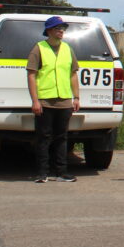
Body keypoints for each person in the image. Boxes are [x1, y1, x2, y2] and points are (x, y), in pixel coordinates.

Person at [27, 16, 80, 183]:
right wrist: (35, 101)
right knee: (44, 137)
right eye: (58, 28)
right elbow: (31, 75)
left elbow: (73, 74)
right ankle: (42, 173)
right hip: (45, 101)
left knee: (62, 138)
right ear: (49, 30)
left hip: (64, 101)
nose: (61, 31)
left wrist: (76, 97)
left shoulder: (67, 49)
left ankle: (61, 172)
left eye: (63, 28)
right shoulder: (39, 48)